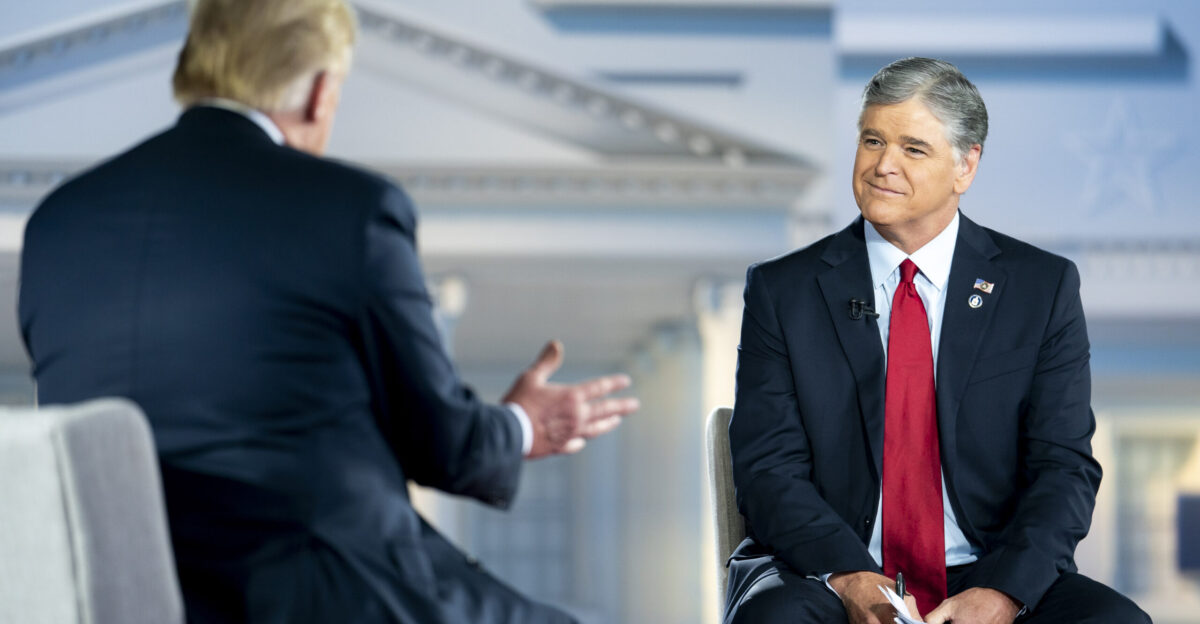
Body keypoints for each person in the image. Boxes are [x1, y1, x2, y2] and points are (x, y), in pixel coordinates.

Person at [18, 0, 638, 622]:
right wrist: (524, 423)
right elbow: (441, 445)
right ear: (320, 93)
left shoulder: (57, 226)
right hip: (325, 594)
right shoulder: (352, 210)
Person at [723, 57, 1150, 624]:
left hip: (987, 567)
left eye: (913, 149)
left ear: (965, 166)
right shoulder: (784, 290)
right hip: (827, 571)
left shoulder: (1041, 288)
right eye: (872, 140)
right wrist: (849, 576)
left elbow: (1064, 467)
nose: (883, 165)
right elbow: (768, 468)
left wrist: (1003, 592)